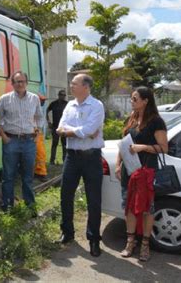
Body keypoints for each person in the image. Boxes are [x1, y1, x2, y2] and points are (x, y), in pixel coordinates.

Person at [116, 86, 167, 262]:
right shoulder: (131, 118)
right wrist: (117, 165)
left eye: (134, 99)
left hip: (146, 172)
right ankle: (130, 242)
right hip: (128, 172)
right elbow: (124, 143)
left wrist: (143, 147)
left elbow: (164, 148)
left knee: (146, 209)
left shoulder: (156, 121)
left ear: (146, 101)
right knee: (129, 207)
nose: (131, 101)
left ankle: (145, 245)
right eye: (131, 98)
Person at [56, 74, 104, 257]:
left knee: (94, 199)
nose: (71, 86)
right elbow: (60, 128)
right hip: (72, 157)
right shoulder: (69, 105)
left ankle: (93, 239)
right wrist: (79, 132)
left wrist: (71, 131)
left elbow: (89, 130)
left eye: (74, 83)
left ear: (85, 86)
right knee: (65, 195)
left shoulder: (97, 106)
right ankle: (67, 233)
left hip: (91, 158)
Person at [0, 71, 43, 212]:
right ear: (12, 83)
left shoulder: (34, 99)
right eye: (16, 81)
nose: (19, 84)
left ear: (26, 83)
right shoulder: (5, 99)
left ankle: (30, 206)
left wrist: (37, 131)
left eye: (22, 81)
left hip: (28, 142)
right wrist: (4, 137)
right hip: (11, 141)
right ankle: (7, 207)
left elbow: (40, 117)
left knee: (28, 177)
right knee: (8, 176)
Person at [47, 89, 68, 164]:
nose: (63, 96)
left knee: (64, 144)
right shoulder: (53, 104)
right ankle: (52, 160)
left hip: (64, 128)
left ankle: (65, 161)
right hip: (55, 127)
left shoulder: (67, 104)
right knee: (54, 144)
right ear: (58, 95)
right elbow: (47, 111)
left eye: (64, 95)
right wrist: (49, 122)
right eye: (61, 95)